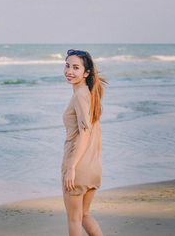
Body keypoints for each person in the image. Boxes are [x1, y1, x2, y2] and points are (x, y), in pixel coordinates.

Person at [61, 49, 107, 236]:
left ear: (86, 73)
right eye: (67, 65)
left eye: (76, 68)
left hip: (78, 165)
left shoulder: (80, 95)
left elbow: (85, 133)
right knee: (84, 215)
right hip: (93, 166)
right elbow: (96, 133)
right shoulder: (89, 93)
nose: (69, 71)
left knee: (74, 219)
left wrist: (71, 167)